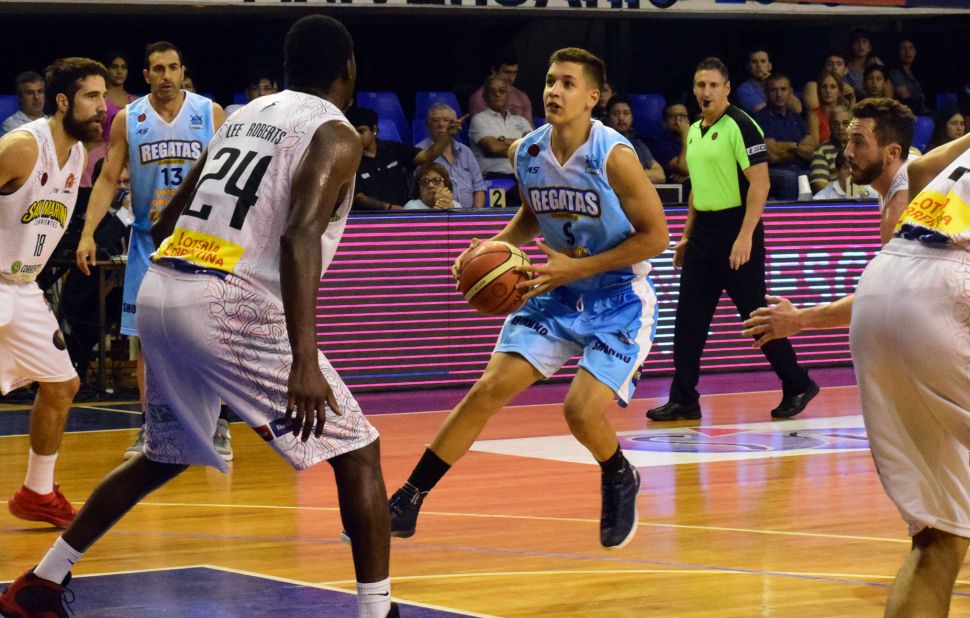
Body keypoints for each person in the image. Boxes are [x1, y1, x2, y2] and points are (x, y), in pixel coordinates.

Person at [0, 15, 399, 618]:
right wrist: (304, 360)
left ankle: (41, 583)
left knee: (167, 452)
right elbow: (299, 237)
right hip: (228, 302)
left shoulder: (242, 115)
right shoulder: (335, 134)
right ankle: (378, 611)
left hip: (163, 286)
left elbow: (165, 219)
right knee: (359, 452)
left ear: (288, 68)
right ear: (349, 68)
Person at [384, 47, 668, 550]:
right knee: (487, 390)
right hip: (554, 290)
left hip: (619, 297)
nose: (554, 91)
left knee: (580, 412)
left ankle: (619, 473)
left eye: (568, 83)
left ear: (593, 98)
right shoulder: (527, 152)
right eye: (551, 81)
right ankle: (407, 500)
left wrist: (577, 267)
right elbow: (533, 216)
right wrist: (491, 249)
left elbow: (656, 237)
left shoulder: (615, 157)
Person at [741, 129, 970, 618]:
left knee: (940, 536)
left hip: (884, 290)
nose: (846, 153)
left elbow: (921, 170)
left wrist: (802, 319)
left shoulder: (933, 172)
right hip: (950, 292)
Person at [74, 41, 228, 459]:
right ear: (145, 76)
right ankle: (153, 428)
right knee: (148, 342)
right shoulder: (129, 118)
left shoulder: (209, 113)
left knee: (208, 338)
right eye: (158, 69)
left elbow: (226, 176)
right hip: (148, 242)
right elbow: (109, 177)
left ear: (182, 71)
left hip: (200, 241)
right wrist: (88, 233)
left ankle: (217, 425)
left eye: (173, 67)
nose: (166, 76)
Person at [646, 57, 817, 422]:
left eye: (713, 85)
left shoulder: (741, 125)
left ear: (726, 88)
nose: (705, 92)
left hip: (737, 227)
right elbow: (697, 188)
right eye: (700, 85)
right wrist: (687, 235)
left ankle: (798, 382)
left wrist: (745, 237)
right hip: (704, 233)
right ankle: (684, 398)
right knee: (688, 319)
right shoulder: (694, 129)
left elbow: (761, 184)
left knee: (755, 316)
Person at [0, 58, 107, 530]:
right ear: (63, 101)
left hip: (23, 286)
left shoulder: (78, 154)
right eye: (91, 97)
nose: (103, 107)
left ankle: (37, 492)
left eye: (103, 96)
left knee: (62, 384)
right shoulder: (22, 147)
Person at [349, 106, 455, 211]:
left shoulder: (393, 149)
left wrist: (448, 135)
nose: (356, 136)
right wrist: (388, 207)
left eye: (361, 131)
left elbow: (426, 156)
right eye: (353, 132)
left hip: (402, 215)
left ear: (374, 130)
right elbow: (358, 197)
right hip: (368, 218)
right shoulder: (351, 160)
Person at [844, 98, 914, 244]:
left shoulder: (897, 210)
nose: (847, 152)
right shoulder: (909, 163)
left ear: (893, 153)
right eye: (848, 140)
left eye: (859, 142)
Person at [754, 72, 817, 201]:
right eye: (773, 90)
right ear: (766, 93)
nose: (779, 94)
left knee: (817, 176)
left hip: (800, 169)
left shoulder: (796, 118)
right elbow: (772, 156)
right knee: (790, 178)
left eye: (783, 89)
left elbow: (811, 151)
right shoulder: (760, 118)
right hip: (772, 171)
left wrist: (786, 147)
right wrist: (798, 148)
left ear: (790, 92)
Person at [415, 102, 483, 208]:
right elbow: (418, 190)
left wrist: (476, 214)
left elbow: (479, 187)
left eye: (446, 120)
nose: (441, 125)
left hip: (468, 214)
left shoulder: (466, 152)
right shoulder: (419, 152)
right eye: (435, 120)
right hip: (436, 212)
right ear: (428, 125)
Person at [604, 94, 665, 183]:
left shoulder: (638, 146)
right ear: (608, 119)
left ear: (632, 118)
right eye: (616, 114)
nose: (621, 118)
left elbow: (660, 175)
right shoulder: (600, 144)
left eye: (626, 113)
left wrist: (626, 175)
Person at [467, 49, 533, 125]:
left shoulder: (522, 97)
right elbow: (482, 128)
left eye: (514, 73)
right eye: (507, 72)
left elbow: (530, 128)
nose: (511, 78)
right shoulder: (478, 99)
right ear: (494, 71)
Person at [735, 49, 801, 116]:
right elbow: (761, 111)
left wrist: (773, 81)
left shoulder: (780, 85)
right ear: (748, 67)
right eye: (754, 62)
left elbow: (797, 109)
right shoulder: (744, 89)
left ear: (769, 66)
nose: (759, 65)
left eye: (763, 61)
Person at [647, 101, 691, 186]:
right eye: (673, 116)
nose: (678, 120)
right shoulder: (660, 145)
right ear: (665, 122)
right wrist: (685, 134)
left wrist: (691, 176)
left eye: (682, 115)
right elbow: (684, 168)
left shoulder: (698, 140)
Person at [888, 36, 926, 115]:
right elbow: (907, 99)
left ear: (915, 51)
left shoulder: (913, 73)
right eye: (903, 49)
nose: (907, 52)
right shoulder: (895, 73)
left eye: (910, 48)